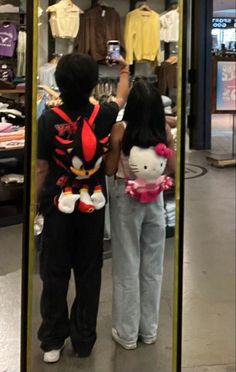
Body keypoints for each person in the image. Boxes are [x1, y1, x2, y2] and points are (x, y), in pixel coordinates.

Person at [36, 52, 129, 363]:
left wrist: (36, 205)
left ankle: (52, 341)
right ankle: (84, 339)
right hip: (93, 207)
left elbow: (40, 168)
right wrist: (124, 71)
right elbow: (119, 97)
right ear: (92, 83)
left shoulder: (48, 119)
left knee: (55, 272)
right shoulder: (105, 115)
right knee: (89, 273)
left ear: (59, 82)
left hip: (56, 207)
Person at [105, 79, 175, 350]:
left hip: (126, 196)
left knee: (127, 264)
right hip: (154, 197)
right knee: (153, 266)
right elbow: (172, 168)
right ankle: (149, 330)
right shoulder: (164, 131)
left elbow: (110, 169)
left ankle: (127, 333)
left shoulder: (120, 130)